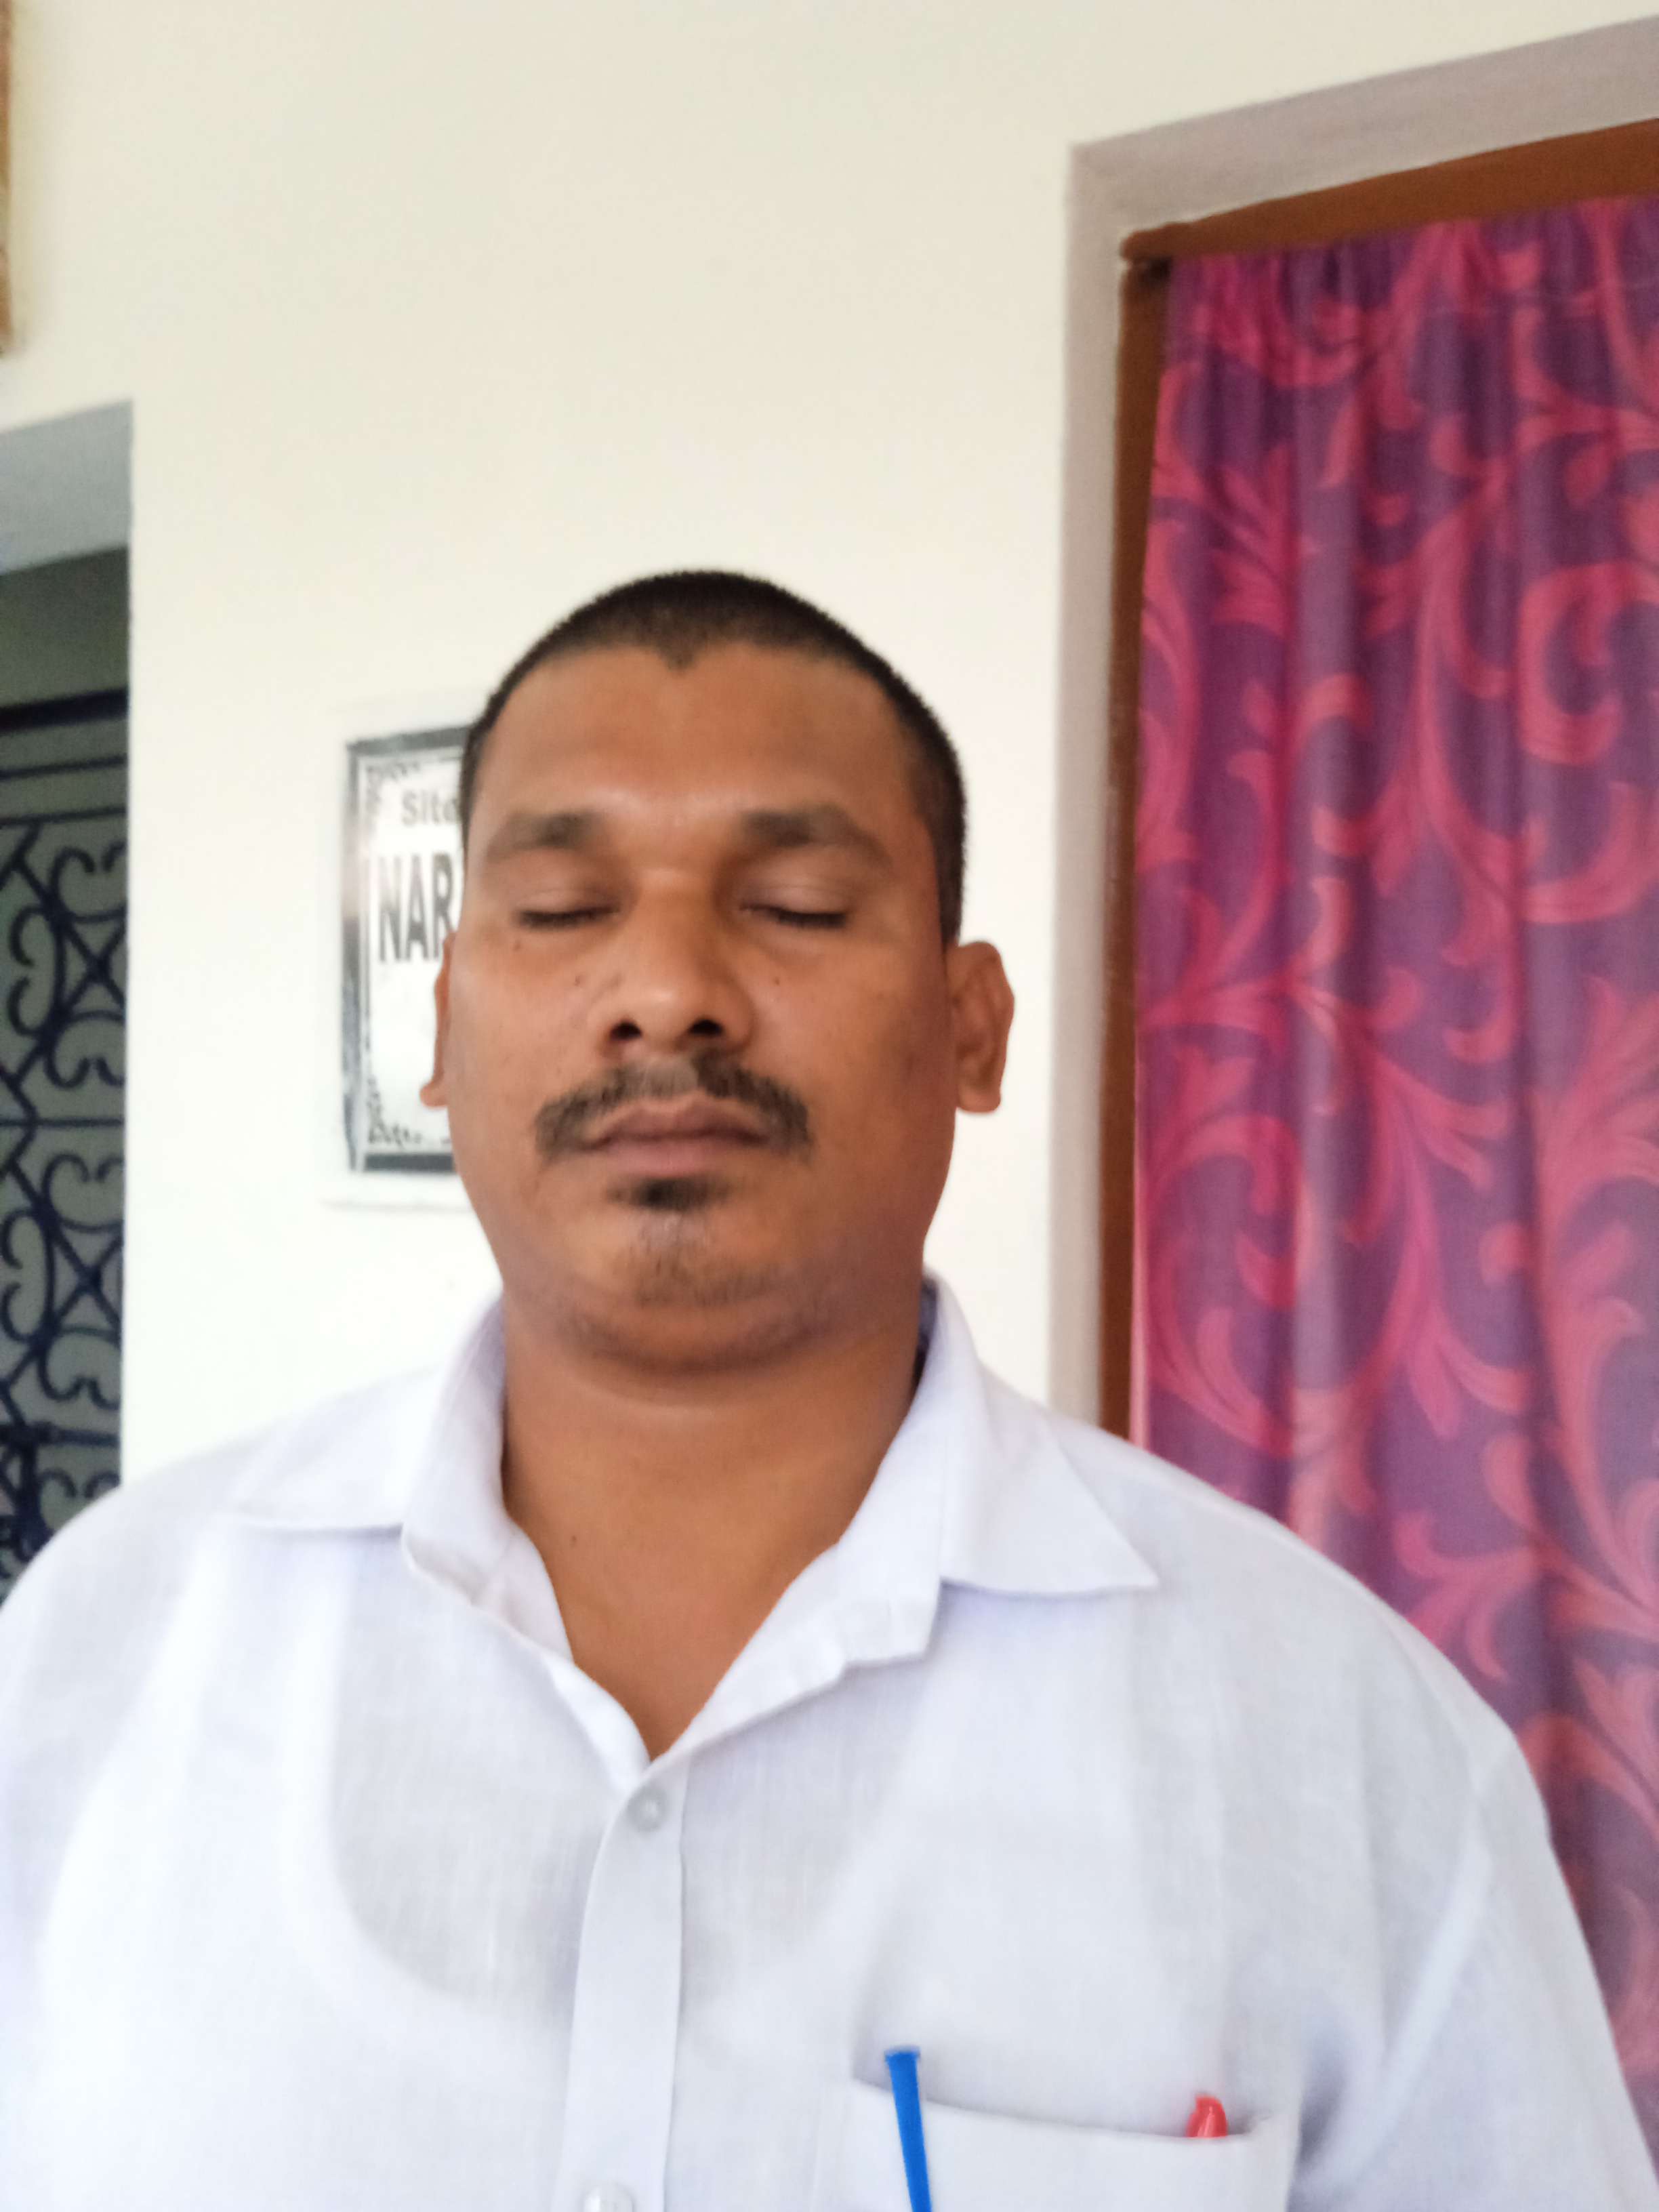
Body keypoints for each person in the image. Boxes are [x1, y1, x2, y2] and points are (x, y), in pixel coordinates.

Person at [0, 571, 1652, 2211]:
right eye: (563, 909)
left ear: (971, 1029)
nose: (667, 990)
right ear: (439, 1032)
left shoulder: (1339, 1740)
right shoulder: (95, 1655)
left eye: (793, 904)